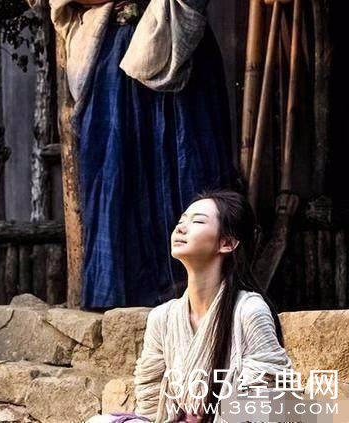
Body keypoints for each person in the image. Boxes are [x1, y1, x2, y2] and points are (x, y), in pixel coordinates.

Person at [27, 0, 237, 309]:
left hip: (176, 42)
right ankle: (117, 303)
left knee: (191, 168)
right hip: (112, 55)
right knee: (115, 173)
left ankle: (203, 298)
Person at [86, 190, 292, 422]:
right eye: (181, 221)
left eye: (197, 221)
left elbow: (267, 401)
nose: (180, 228)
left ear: (227, 243)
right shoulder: (163, 318)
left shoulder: (249, 311)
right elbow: (151, 402)